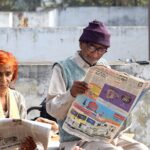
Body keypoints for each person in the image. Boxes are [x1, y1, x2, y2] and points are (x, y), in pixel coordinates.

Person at [46, 20, 149, 150]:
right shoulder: (62, 68)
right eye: (92, 47)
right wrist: (71, 93)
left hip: (107, 137)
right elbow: (51, 109)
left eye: (102, 50)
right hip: (76, 141)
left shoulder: (104, 65)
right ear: (81, 44)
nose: (96, 53)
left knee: (141, 148)